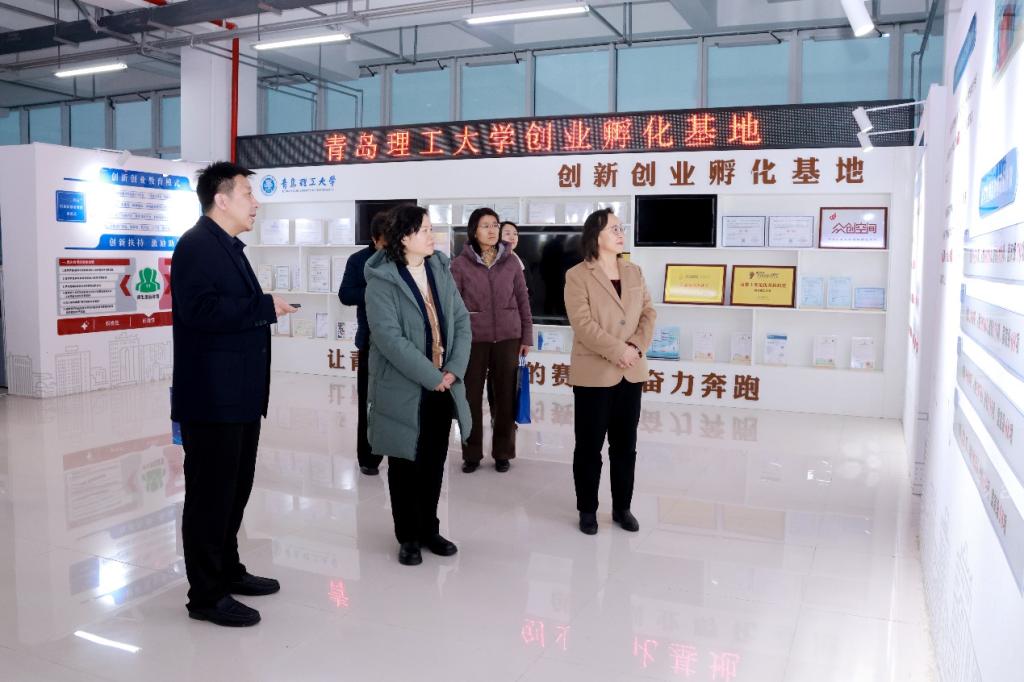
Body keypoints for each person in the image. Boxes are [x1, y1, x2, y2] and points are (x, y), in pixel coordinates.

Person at [171, 161, 297, 627]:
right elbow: (200, 311)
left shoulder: (228, 246)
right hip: (212, 398)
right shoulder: (195, 245)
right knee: (210, 497)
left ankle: (227, 570)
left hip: (238, 396)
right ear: (221, 199)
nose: (255, 203)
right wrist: (264, 306)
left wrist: (261, 307)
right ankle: (206, 595)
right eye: (248, 193)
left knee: (234, 490)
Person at [364, 205, 472, 566]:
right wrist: (432, 375)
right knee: (404, 462)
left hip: (443, 383)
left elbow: (461, 320)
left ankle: (429, 529)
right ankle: (408, 536)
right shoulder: (381, 280)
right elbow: (389, 338)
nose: (431, 236)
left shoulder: (439, 268)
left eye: (430, 228)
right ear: (404, 237)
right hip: (404, 386)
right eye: (424, 229)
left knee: (433, 461)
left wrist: (453, 369)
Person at [563, 208, 656, 535]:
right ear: (596, 236)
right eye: (613, 229)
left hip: (632, 371)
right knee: (589, 447)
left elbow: (648, 313)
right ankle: (587, 509)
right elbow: (582, 324)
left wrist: (635, 348)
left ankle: (622, 508)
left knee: (625, 446)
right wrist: (619, 351)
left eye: (621, 228)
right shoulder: (577, 275)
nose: (620, 234)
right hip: (595, 373)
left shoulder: (634, 271)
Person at [450, 208, 532, 474]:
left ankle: (503, 452)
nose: (492, 230)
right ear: (474, 231)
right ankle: (471, 453)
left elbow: (523, 299)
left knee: (506, 398)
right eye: (485, 225)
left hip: (508, 337)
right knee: (470, 398)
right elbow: (453, 307)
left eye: (495, 225)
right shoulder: (460, 264)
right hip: (473, 339)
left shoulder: (511, 262)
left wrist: (527, 336)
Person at [339, 210, 389, 476]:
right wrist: (375, 290)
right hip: (371, 341)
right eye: (385, 240)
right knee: (369, 402)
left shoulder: (404, 258)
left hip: (405, 343)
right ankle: (369, 458)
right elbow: (345, 294)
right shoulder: (358, 260)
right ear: (374, 238)